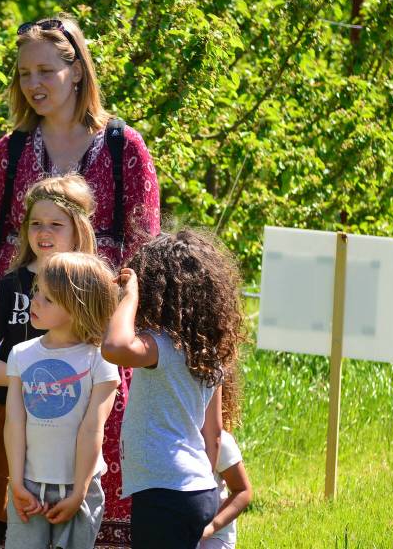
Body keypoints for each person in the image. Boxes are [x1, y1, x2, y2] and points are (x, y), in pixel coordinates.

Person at [0, 15, 161, 549]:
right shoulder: (13, 149)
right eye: (24, 73)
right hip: (21, 322)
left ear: (78, 71)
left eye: (46, 70)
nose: (34, 84)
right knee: (11, 453)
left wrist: (123, 331)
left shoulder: (124, 149)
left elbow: (145, 254)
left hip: (95, 330)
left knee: (90, 455)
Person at [0, 175, 99, 549]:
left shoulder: (88, 287)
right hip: (4, 415)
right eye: (35, 223)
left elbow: (97, 357)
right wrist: (27, 377)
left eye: (55, 224)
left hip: (62, 422)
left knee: (48, 523)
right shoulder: (9, 285)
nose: (43, 232)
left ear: (78, 230)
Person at [102, 230, 247, 549]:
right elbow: (215, 434)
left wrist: (129, 296)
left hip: (164, 493)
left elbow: (114, 347)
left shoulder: (160, 346)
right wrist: (199, 489)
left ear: (154, 294)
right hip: (197, 489)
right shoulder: (207, 354)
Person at [4, 252, 121, 549]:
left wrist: (79, 493)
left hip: (78, 488)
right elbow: (15, 422)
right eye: (36, 293)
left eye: (49, 299)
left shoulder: (100, 360)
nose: (36, 302)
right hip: (28, 486)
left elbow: (92, 429)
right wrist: (16, 482)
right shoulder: (21, 354)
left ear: (79, 307)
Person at [198, 430, 252, 549]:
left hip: (214, 537)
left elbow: (243, 491)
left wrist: (211, 526)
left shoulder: (221, 441)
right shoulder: (163, 436)